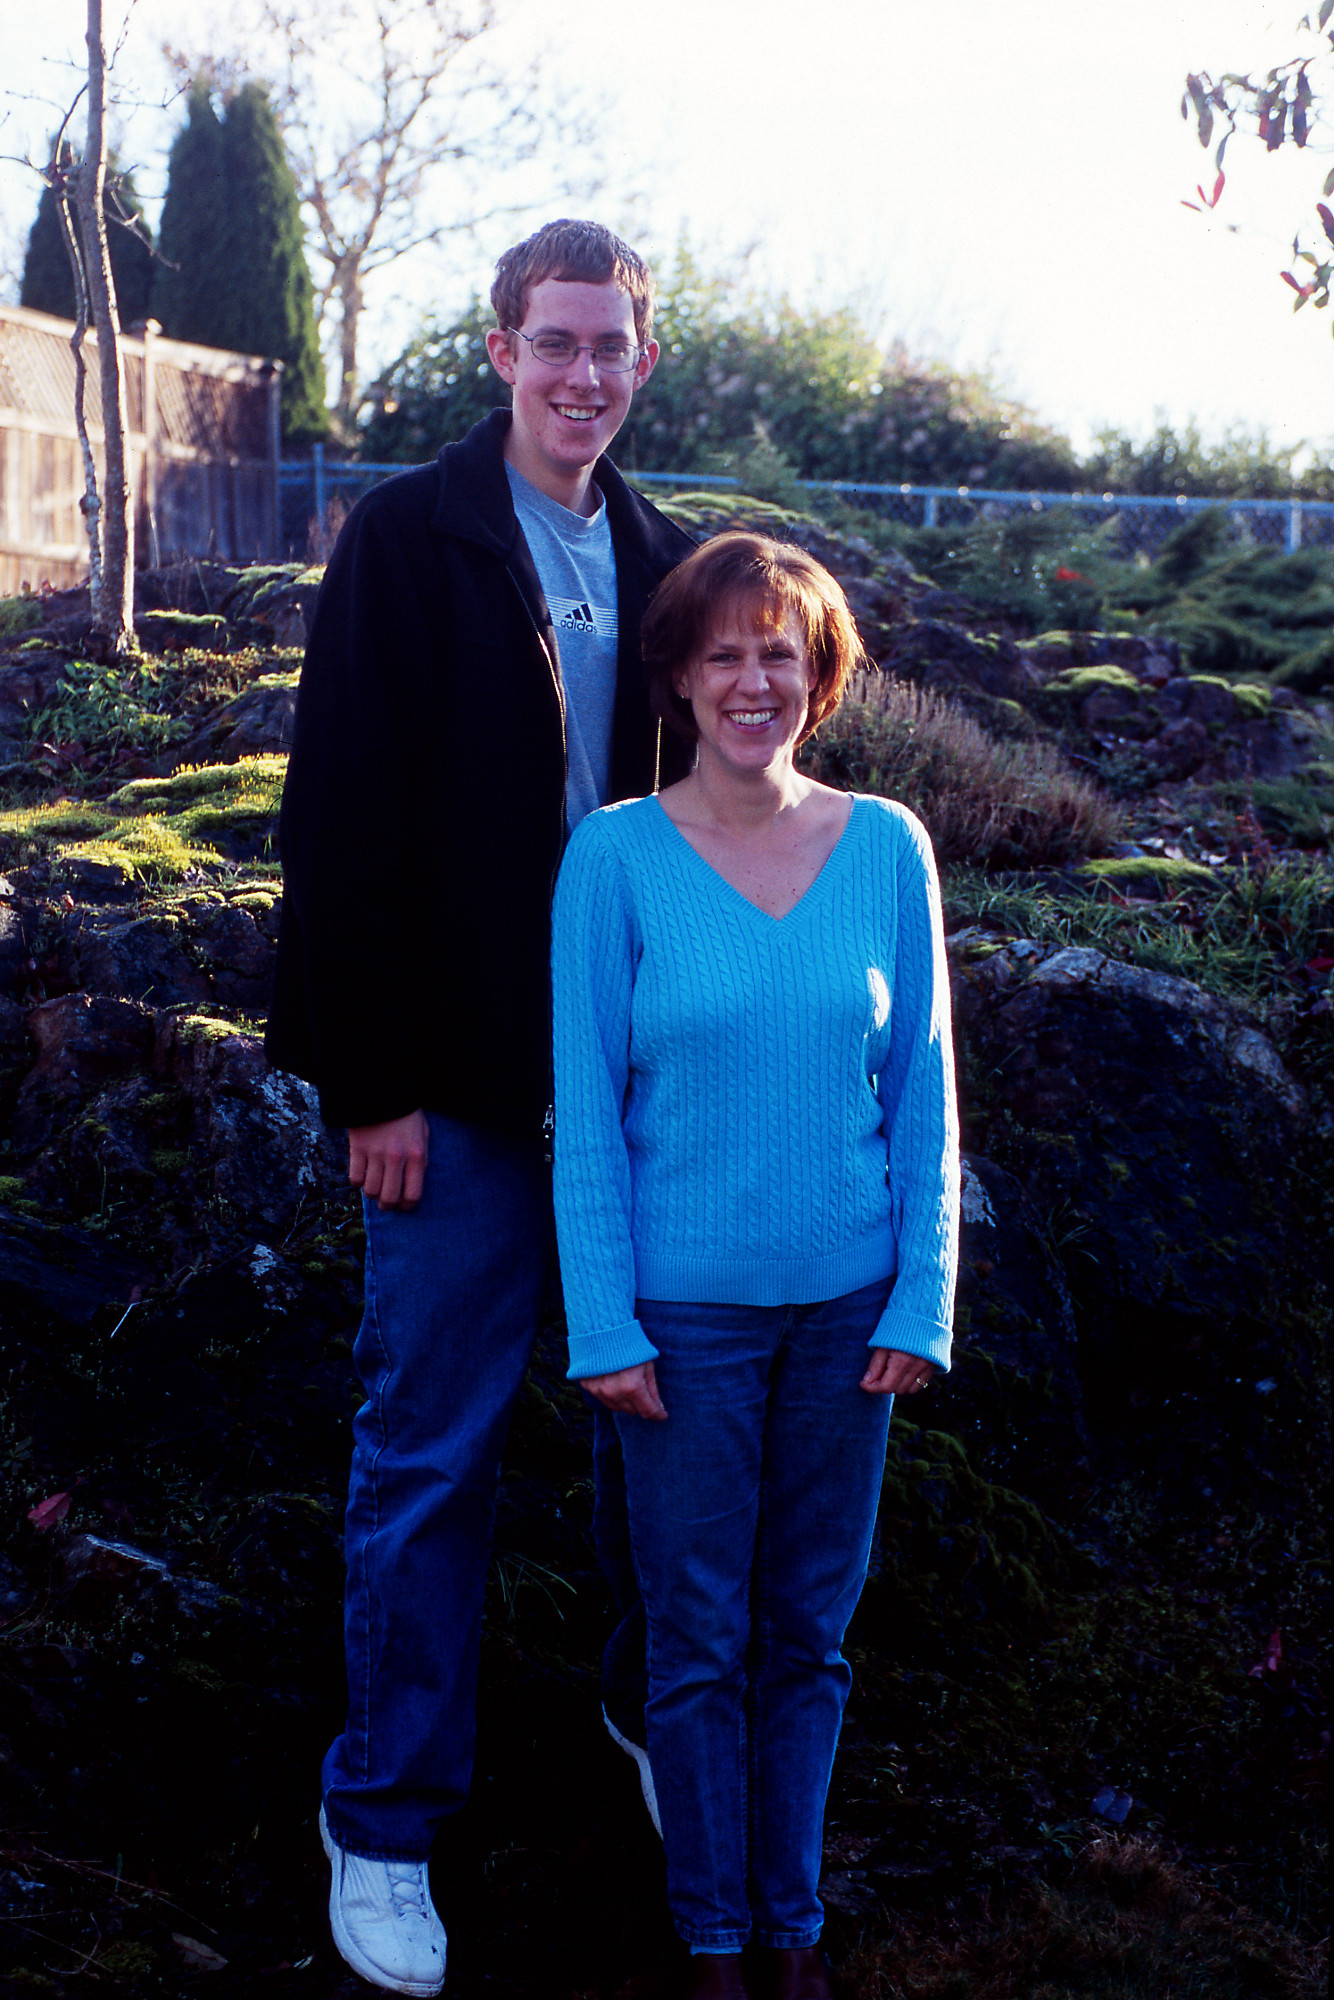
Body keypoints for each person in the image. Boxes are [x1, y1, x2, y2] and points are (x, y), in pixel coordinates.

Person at [266, 219, 696, 1997]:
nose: (582, 374)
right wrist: (370, 1084)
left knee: (664, 1435)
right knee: (430, 1449)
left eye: (610, 346)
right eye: (553, 342)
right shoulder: (412, 536)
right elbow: (338, 817)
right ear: (501, 350)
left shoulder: (668, 560)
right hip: (449, 1089)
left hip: (633, 1095)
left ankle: (652, 1723)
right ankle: (381, 1825)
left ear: (641, 361)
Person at [551, 532, 960, 2000]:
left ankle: (793, 1935)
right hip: (682, 1327)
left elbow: (923, 1093)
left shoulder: (888, 848)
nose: (750, 681)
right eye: (721, 653)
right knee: (695, 1646)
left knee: (808, 1643)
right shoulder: (612, 860)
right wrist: (605, 1323)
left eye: (778, 653)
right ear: (675, 675)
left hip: (852, 1317)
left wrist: (922, 1295)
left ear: (818, 675)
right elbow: (586, 1112)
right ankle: (712, 1945)